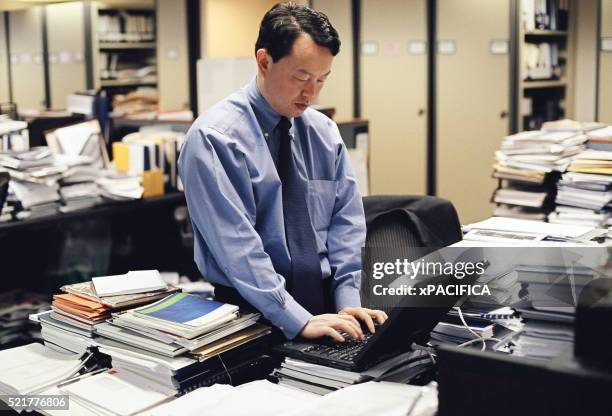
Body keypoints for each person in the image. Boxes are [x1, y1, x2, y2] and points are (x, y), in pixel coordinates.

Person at [178, 2, 387, 342]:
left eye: (322, 79)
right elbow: (238, 249)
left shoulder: (324, 132)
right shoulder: (215, 139)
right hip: (252, 313)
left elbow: (347, 224)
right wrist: (296, 319)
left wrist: (348, 300)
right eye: (301, 77)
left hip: (327, 305)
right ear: (264, 61)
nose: (312, 93)